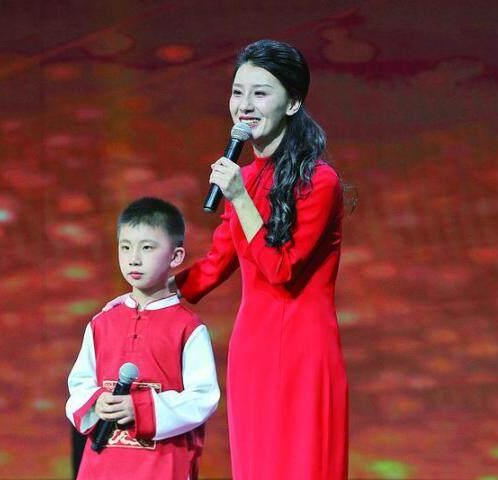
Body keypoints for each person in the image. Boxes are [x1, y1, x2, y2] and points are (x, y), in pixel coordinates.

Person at [105, 39, 348, 479]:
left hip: (304, 351)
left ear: (292, 102)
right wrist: (148, 295)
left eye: (260, 93)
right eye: (238, 92)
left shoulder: (319, 181)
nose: (244, 105)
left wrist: (238, 196)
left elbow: (281, 268)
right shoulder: (246, 177)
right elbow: (215, 264)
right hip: (252, 349)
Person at [66, 197, 220, 480]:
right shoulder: (102, 323)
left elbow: (203, 398)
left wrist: (140, 408)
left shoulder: (188, 328)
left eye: (147, 247)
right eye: (125, 247)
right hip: (102, 467)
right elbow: (79, 384)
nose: (133, 258)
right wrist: (96, 402)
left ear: (176, 256)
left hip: (162, 467)